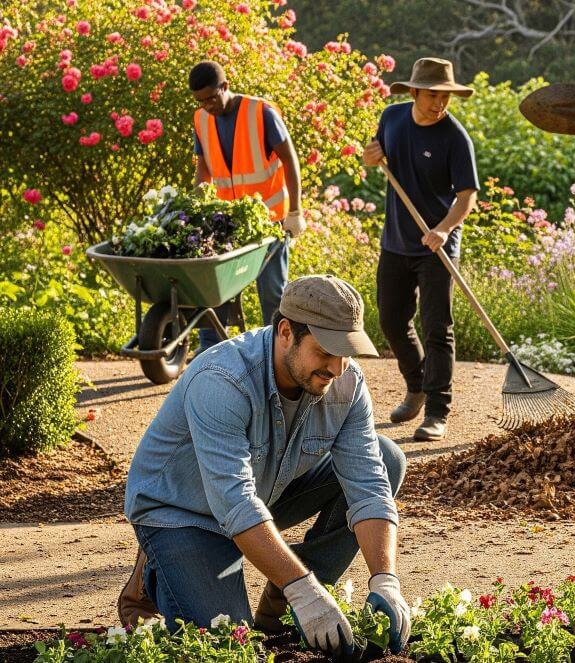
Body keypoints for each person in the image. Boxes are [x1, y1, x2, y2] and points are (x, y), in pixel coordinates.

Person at [116, 275, 410, 658]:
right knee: (228, 644)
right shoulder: (223, 380)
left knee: (388, 460)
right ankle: (156, 566)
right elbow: (235, 503)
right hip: (184, 512)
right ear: (286, 332)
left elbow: (369, 485)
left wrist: (385, 580)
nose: (337, 368)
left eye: (347, 352)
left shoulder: (345, 381)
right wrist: (304, 590)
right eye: (325, 351)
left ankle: (287, 605)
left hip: (265, 490)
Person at [362, 57, 479, 442]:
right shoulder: (392, 118)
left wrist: (444, 230)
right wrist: (370, 158)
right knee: (391, 320)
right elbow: (375, 156)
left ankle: (437, 411)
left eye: (445, 97)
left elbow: (466, 198)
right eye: (432, 95)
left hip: (436, 245)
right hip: (396, 240)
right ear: (413, 92)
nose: (439, 104)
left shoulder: (455, 137)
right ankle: (416, 385)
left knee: (437, 328)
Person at [189, 60, 306, 354]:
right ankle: (209, 356)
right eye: (200, 101)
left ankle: (279, 357)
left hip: (270, 221)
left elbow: (290, 160)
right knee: (215, 292)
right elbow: (204, 170)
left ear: (225, 87)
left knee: (271, 294)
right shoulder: (201, 119)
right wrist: (198, 208)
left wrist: (296, 212)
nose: (207, 106)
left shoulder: (260, 113)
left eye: (211, 98)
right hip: (227, 224)